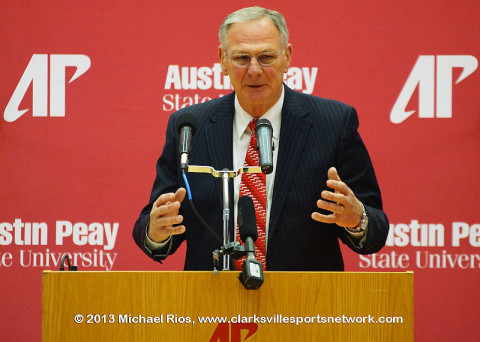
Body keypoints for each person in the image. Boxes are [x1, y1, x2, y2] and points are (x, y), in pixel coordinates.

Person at [133, 6, 389, 271]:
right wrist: (156, 231)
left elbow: (376, 229)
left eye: (266, 57)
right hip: (211, 302)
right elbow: (151, 227)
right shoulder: (189, 127)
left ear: (287, 57)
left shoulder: (333, 122)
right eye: (242, 58)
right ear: (222, 59)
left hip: (306, 302)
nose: (254, 70)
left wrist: (358, 219)